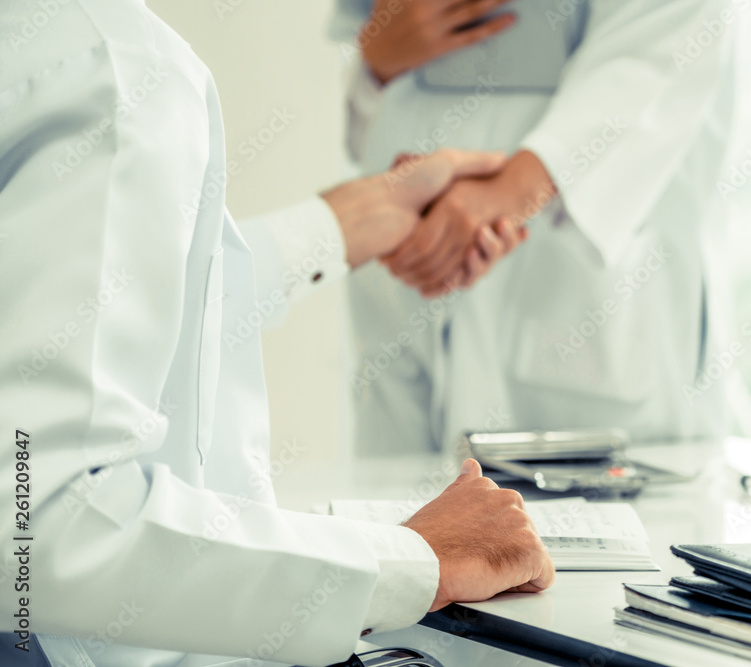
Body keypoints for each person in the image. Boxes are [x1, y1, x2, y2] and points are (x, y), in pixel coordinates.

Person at [0, 1, 553, 666]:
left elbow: (83, 304)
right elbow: (35, 525)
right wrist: (415, 558)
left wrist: (346, 223)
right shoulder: (119, 68)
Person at [332, 0, 738, 456]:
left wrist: (502, 198)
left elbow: (657, 53)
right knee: (396, 512)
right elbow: (359, 127)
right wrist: (376, 65)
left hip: (571, 275)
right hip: (406, 280)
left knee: (606, 512)